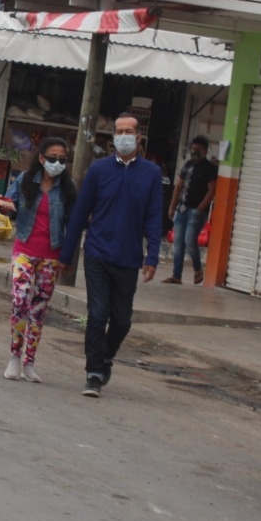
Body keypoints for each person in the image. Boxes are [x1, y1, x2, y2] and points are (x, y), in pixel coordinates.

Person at [60, 114, 164, 398]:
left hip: (129, 258)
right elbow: (81, 213)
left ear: (138, 137)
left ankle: (106, 356)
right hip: (97, 253)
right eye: (119, 131)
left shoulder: (151, 174)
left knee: (121, 320)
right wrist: (67, 254)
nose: (123, 136)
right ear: (113, 136)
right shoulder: (99, 170)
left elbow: (154, 218)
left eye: (129, 131)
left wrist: (152, 258)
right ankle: (93, 373)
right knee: (96, 313)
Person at [0, 137, 78, 384]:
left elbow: (72, 225)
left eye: (62, 159)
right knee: (20, 300)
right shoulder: (24, 181)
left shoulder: (67, 188)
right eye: (52, 158)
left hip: (51, 256)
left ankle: (30, 362)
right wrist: (5, 207)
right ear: (41, 158)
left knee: (38, 310)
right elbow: (11, 206)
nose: (57, 162)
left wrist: (67, 257)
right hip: (24, 250)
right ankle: (14, 357)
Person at [164, 135, 218, 285]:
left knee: (189, 241)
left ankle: (197, 268)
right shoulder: (187, 165)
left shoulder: (210, 169)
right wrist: (172, 206)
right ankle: (176, 276)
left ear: (205, 152)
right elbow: (179, 186)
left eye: (198, 150)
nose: (194, 153)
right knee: (178, 242)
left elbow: (212, 190)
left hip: (196, 212)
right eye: (193, 150)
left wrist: (200, 208)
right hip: (181, 209)